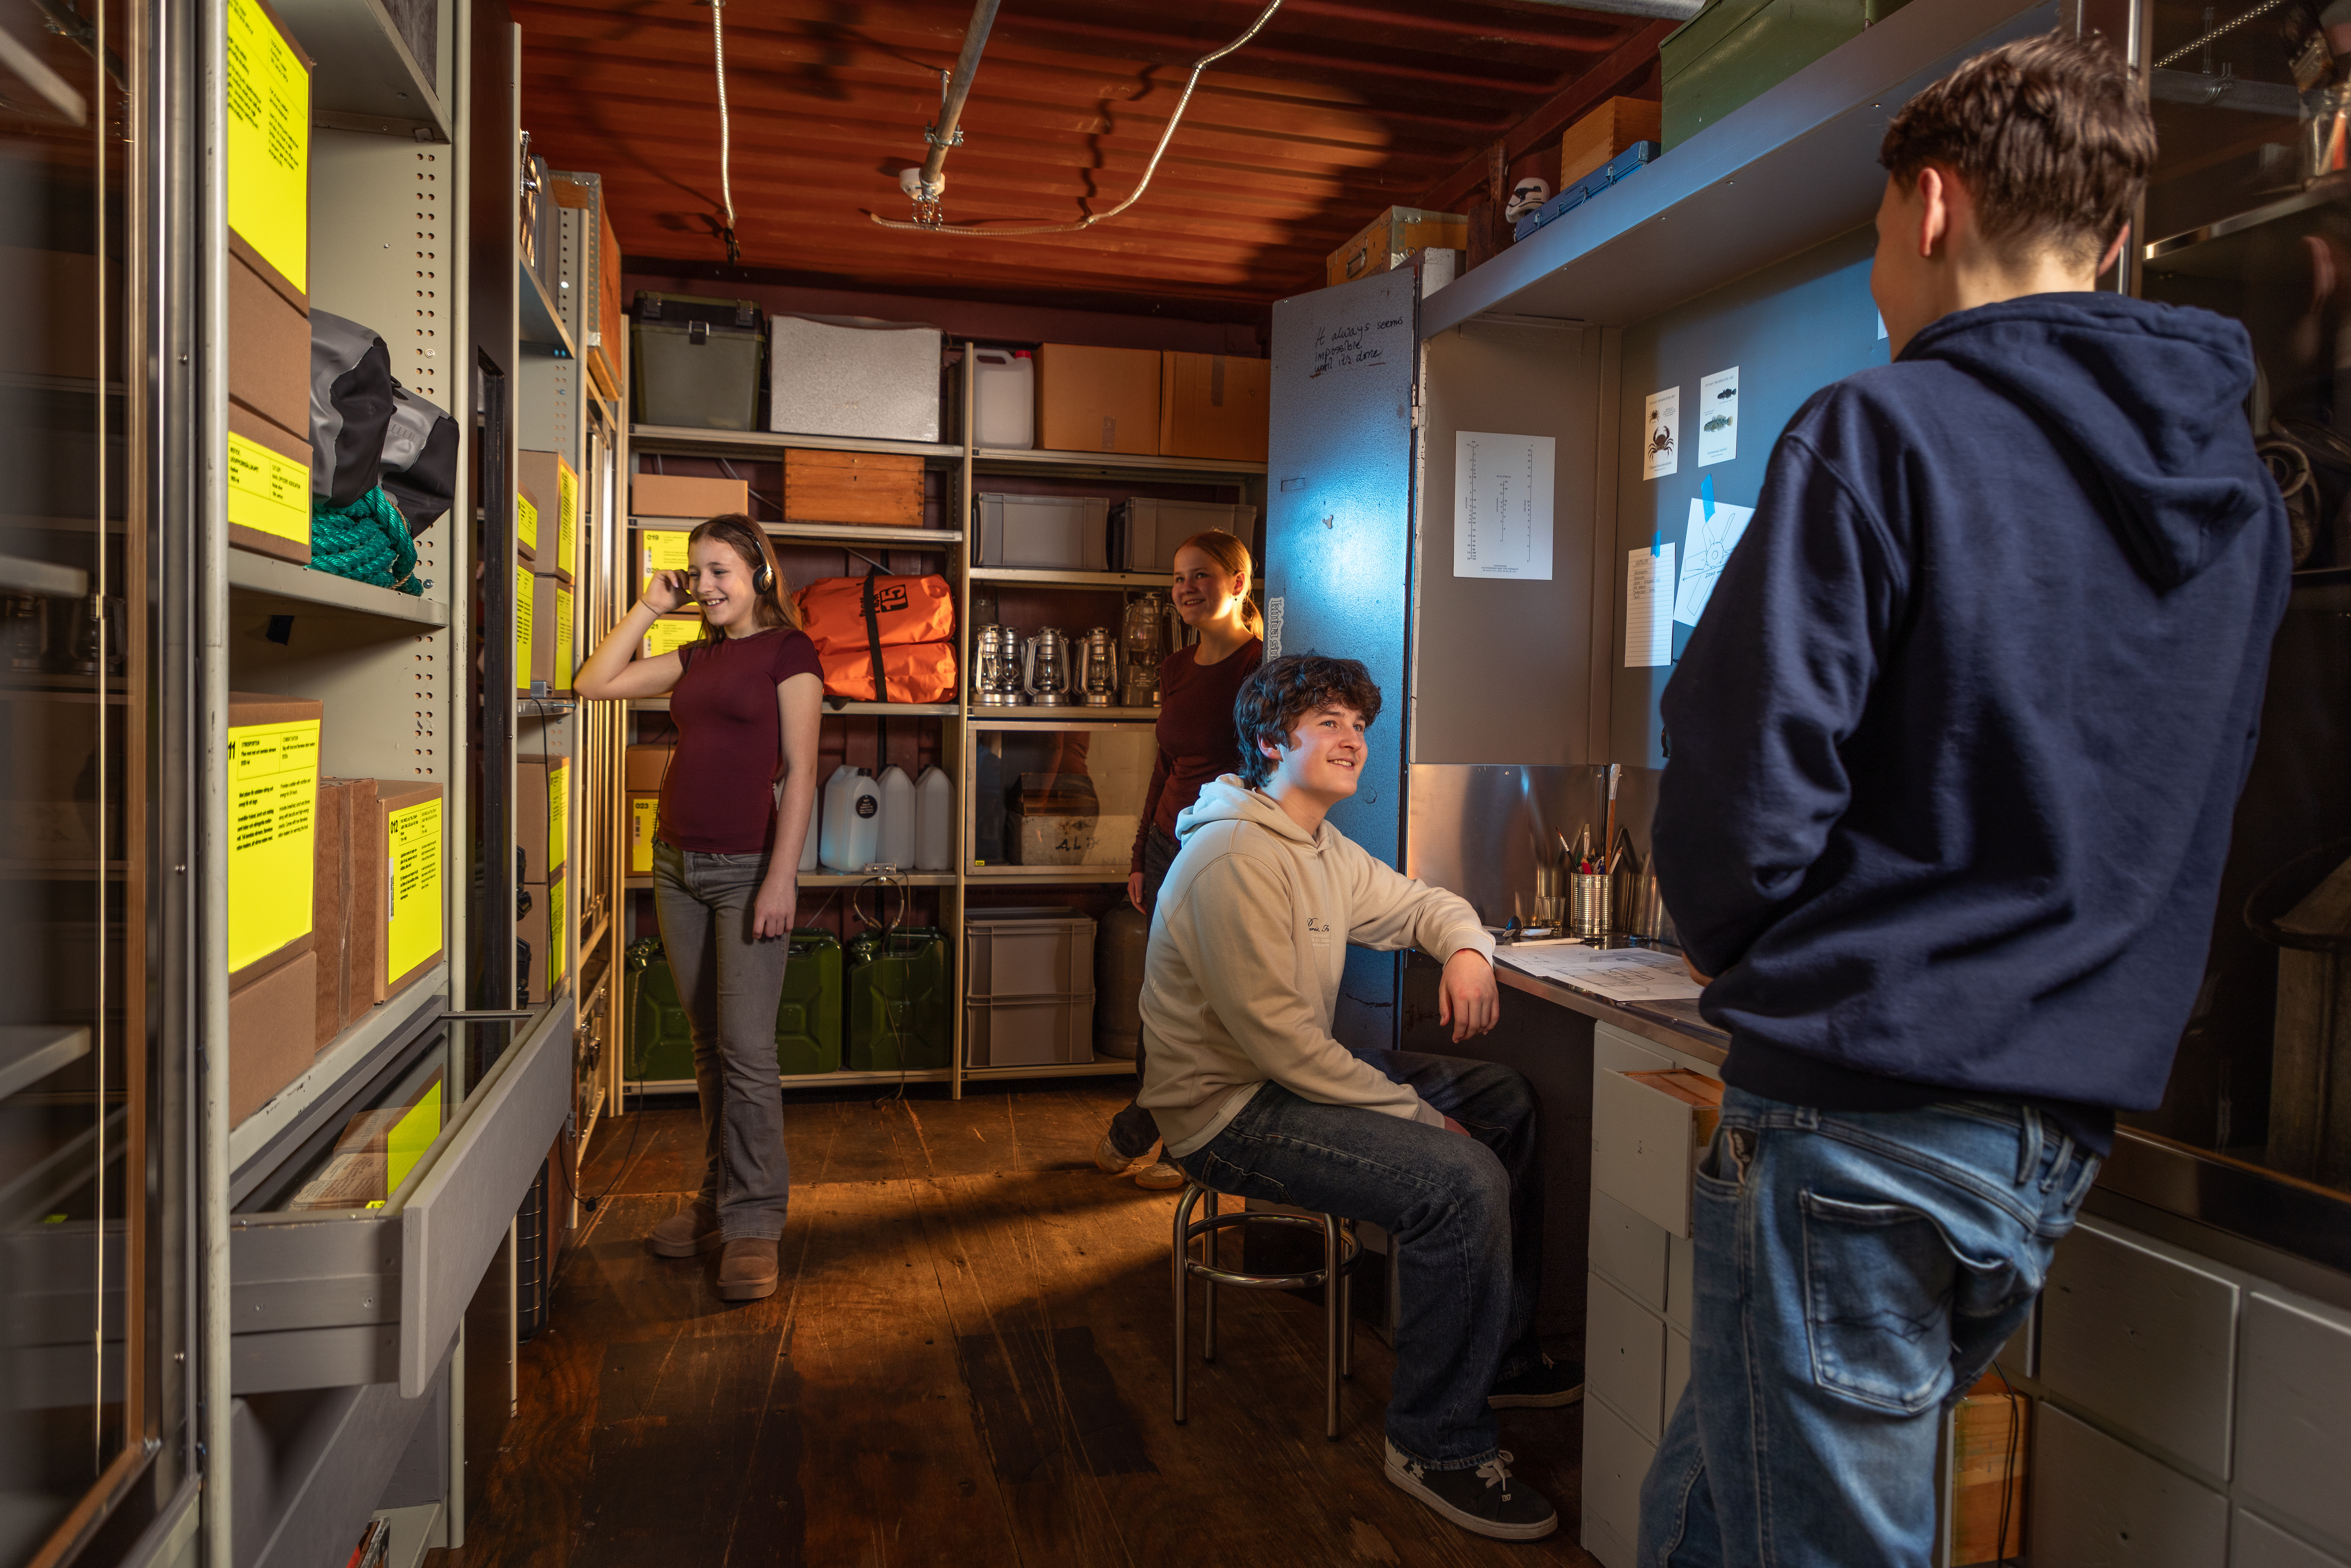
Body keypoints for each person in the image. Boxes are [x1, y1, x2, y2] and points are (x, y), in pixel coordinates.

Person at [1642, 33, 2291, 1564]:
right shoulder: (2241, 498)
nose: (1881, 276)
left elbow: (1741, 787)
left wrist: (1757, 962)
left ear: (1930, 209)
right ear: (2118, 238)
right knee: (1718, 1500)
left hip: (1862, 1101)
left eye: (1876, 236)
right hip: (2052, 1125)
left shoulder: (1880, 430)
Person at [1138, 654, 1579, 1543]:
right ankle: (1437, 1444)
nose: (1354, 740)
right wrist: (1419, 1118)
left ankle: (1495, 1356)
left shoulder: (1319, 846)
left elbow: (1422, 905)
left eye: (1360, 725)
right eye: (1328, 722)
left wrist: (1465, 951)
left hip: (1290, 1081)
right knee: (1460, 1180)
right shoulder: (1231, 857)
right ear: (1270, 742)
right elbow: (1282, 1047)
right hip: (1228, 1113)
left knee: (1504, 1098)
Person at [573, 514, 825, 1303]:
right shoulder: (696, 657)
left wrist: (782, 879)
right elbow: (595, 683)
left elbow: (804, 773)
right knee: (711, 1048)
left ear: (758, 573)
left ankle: (756, 1225)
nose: (706, 584)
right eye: (696, 571)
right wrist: (649, 606)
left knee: (748, 1053)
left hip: (748, 871)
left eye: (720, 570)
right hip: (677, 865)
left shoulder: (791, 653)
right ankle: (718, 1208)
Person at [1095, 530, 1266, 1191]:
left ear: (1238, 584)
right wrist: (1140, 852)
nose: (1186, 589)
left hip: (1219, 850)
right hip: (1171, 843)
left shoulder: (1258, 669)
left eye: (1201, 575)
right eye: (1178, 578)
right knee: (1162, 994)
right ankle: (1148, 1120)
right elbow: (1164, 765)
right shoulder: (1175, 666)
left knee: (1205, 1000)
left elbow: (1263, 774)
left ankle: (1175, 1144)